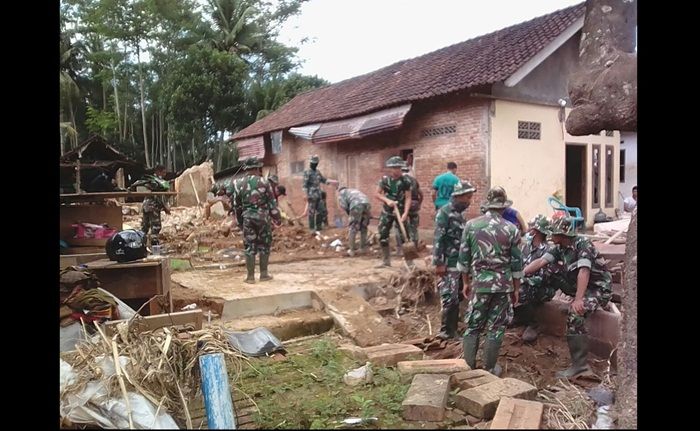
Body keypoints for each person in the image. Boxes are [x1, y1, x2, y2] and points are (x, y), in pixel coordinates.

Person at [523, 217, 612, 378]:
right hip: (581, 287)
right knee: (551, 270)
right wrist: (522, 274)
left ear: (562, 234)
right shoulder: (559, 248)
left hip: (597, 289)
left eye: (554, 234)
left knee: (575, 315)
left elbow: (583, 272)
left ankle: (580, 367)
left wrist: (578, 300)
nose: (550, 236)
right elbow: (541, 262)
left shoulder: (583, 245)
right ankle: (538, 301)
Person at [458, 187, 522, 376]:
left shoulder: (471, 226)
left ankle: (468, 367)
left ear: (487, 205)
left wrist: (466, 283)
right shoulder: (511, 229)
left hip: (480, 285)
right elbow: (517, 264)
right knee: (496, 327)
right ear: (503, 207)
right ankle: (489, 368)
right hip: (503, 286)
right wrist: (516, 289)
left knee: (473, 325)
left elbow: (464, 259)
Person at [433, 181, 477, 339]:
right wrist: (439, 263)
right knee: (449, 297)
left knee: (457, 296)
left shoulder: (459, 214)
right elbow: (439, 239)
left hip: (459, 263)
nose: (469, 201)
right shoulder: (444, 212)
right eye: (467, 197)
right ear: (458, 196)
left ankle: (453, 329)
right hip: (448, 263)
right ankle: (446, 331)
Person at [513, 215, 567, 342]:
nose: (528, 230)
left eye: (531, 227)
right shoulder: (525, 247)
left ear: (536, 231)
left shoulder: (549, 251)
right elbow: (518, 266)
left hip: (543, 288)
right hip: (526, 283)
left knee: (522, 290)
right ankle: (519, 316)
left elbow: (544, 278)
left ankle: (533, 324)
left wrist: (521, 280)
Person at [233, 157, 282, 283]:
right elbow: (272, 204)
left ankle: (250, 277)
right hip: (263, 219)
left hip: (248, 218)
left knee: (250, 246)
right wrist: (277, 219)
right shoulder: (264, 182)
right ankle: (264, 274)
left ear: (246, 169)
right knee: (264, 246)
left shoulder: (238, 184)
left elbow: (236, 206)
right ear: (257, 168)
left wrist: (240, 222)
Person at [374, 156, 412, 267]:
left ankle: (410, 262)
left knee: (405, 236)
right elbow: (377, 194)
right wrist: (387, 200)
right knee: (383, 235)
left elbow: (408, 197)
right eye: (393, 168)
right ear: (389, 169)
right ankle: (386, 261)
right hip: (387, 211)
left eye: (398, 168)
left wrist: (405, 213)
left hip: (400, 211)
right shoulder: (384, 180)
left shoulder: (406, 180)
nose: (395, 170)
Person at [129, 165, 171, 246]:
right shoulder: (159, 182)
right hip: (153, 206)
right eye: (164, 172)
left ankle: (140, 244)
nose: (165, 174)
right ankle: (154, 245)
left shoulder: (151, 181)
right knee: (156, 226)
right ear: (158, 172)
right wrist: (166, 207)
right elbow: (160, 197)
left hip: (146, 205)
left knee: (145, 226)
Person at [302, 155, 337, 232]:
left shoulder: (318, 172)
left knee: (321, 210)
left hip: (318, 195)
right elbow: (304, 184)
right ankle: (311, 229)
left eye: (315, 163)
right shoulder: (307, 172)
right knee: (311, 212)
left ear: (317, 164)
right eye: (312, 163)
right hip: (311, 195)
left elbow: (323, 180)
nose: (313, 164)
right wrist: (305, 194)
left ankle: (318, 227)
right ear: (310, 163)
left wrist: (332, 182)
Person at [395, 164, 423, 254]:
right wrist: (419, 204)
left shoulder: (399, 181)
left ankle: (400, 249)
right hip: (414, 205)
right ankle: (414, 248)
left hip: (403, 206)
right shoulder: (414, 180)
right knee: (414, 227)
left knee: (400, 226)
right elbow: (421, 194)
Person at [337, 186, 372, 256]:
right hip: (367, 203)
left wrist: (350, 215)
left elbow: (344, 206)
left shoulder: (341, 193)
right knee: (363, 227)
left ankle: (352, 250)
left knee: (353, 228)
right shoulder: (354, 190)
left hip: (356, 205)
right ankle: (363, 248)